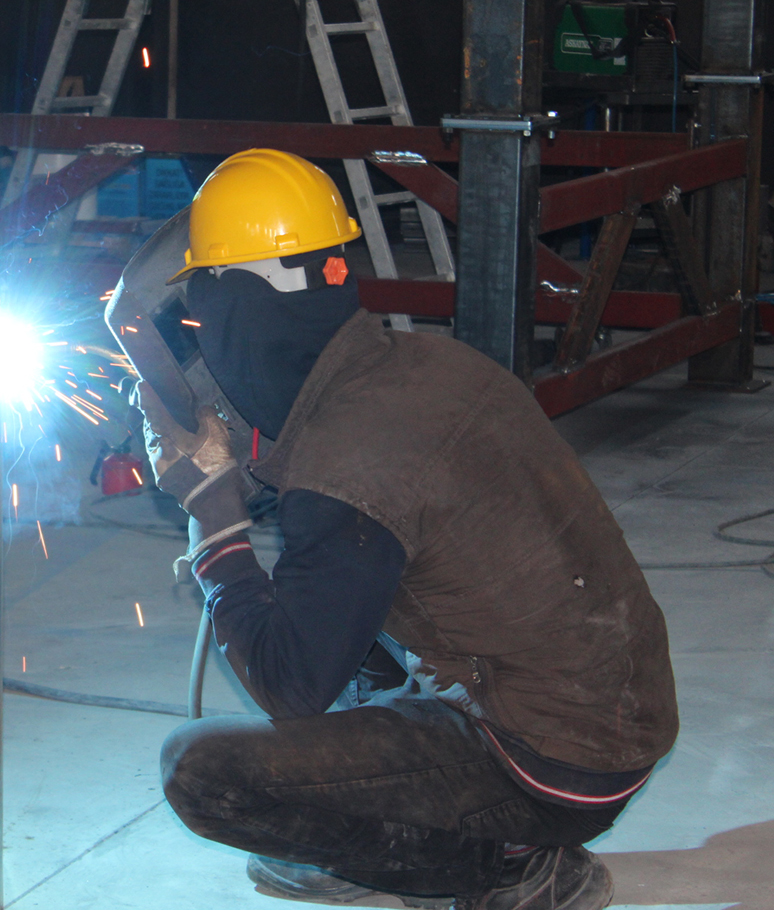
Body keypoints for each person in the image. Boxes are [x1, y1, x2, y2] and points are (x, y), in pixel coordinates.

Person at [131, 149, 678, 910]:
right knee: (343, 616)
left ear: (234, 306)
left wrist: (212, 515)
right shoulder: (426, 366)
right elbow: (352, 490)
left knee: (200, 771)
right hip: (614, 712)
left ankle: (506, 866)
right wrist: (241, 462)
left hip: (553, 765)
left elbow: (288, 683)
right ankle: (420, 824)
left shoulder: (345, 463)